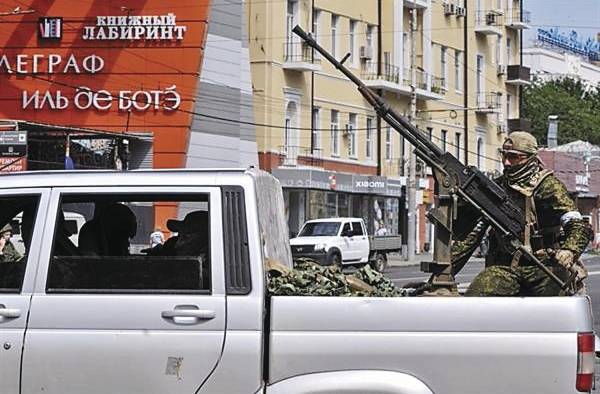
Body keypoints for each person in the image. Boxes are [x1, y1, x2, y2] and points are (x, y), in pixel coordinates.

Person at [452, 131, 590, 296]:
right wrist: (444, 272)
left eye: (514, 157)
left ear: (531, 158)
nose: (506, 162)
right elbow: (473, 235)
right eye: (504, 155)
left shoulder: (547, 186)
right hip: (506, 268)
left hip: (545, 266)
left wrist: (570, 250)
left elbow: (575, 223)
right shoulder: (496, 188)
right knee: (478, 296)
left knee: (553, 308)